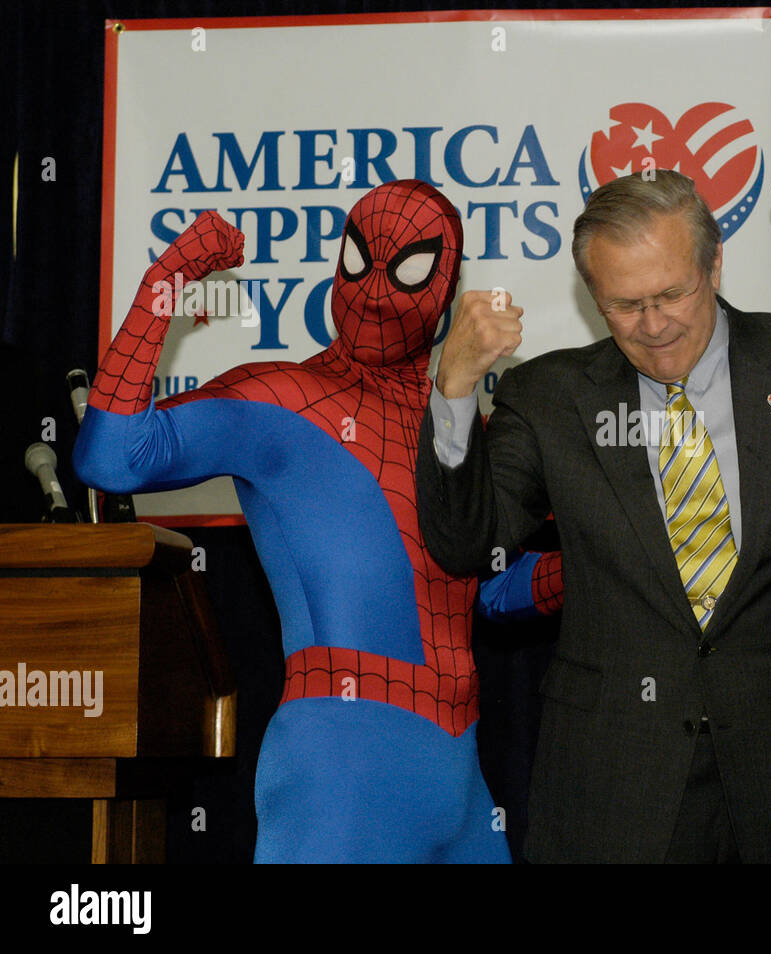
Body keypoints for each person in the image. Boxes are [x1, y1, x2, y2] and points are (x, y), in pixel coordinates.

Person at [416, 169, 771, 863]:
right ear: (591, 296)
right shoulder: (548, 397)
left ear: (713, 264)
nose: (654, 327)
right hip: (614, 784)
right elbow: (466, 543)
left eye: (672, 294)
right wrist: (453, 389)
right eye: (625, 305)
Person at [74, 180, 551, 863]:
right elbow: (110, 456)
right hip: (343, 762)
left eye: (408, 268)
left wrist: (623, 565)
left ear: (444, 288)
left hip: (462, 774)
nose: (376, 290)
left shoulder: (452, 419)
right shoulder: (285, 398)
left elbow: (489, 585)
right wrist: (167, 279)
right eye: (360, 260)